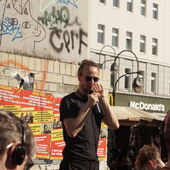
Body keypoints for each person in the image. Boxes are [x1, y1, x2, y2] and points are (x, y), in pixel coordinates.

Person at [59, 59, 119, 170]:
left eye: (95, 79)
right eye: (88, 78)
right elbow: (72, 132)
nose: (92, 82)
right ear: (79, 77)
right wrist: (87, 105)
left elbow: (114, 125)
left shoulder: (97, 102)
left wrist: (103, 99)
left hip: (93, 163)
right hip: (74, 162)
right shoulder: (69, 101)